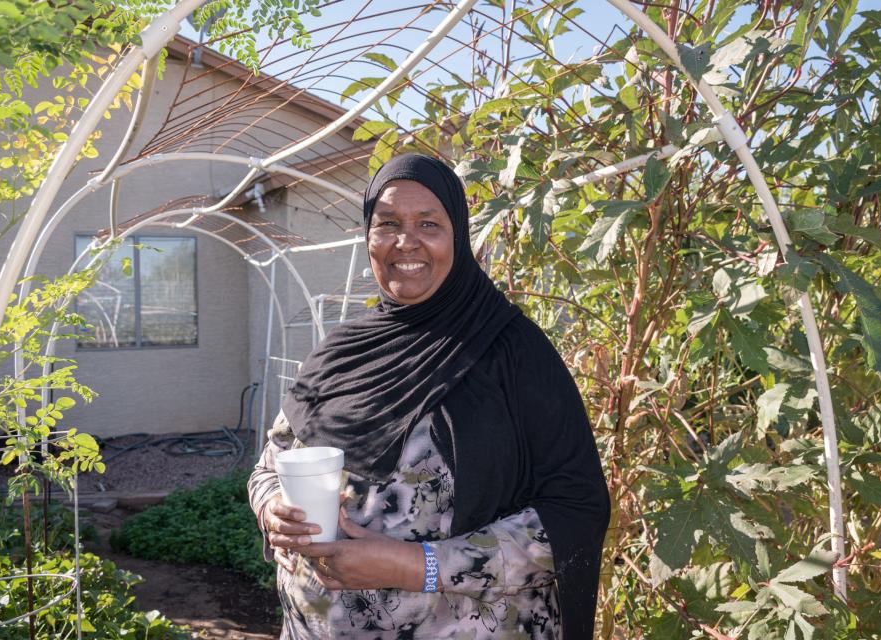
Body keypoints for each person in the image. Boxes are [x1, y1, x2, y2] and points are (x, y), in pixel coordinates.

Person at [248, 154, 610, 639]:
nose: (405, 242)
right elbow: (271, 464)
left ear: (457, 238)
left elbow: (575, 512)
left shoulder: (512, 353)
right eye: (388, 224)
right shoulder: (338, 353)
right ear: (368, 236)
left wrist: (415, 565)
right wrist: (272, 508)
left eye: (428, 224)